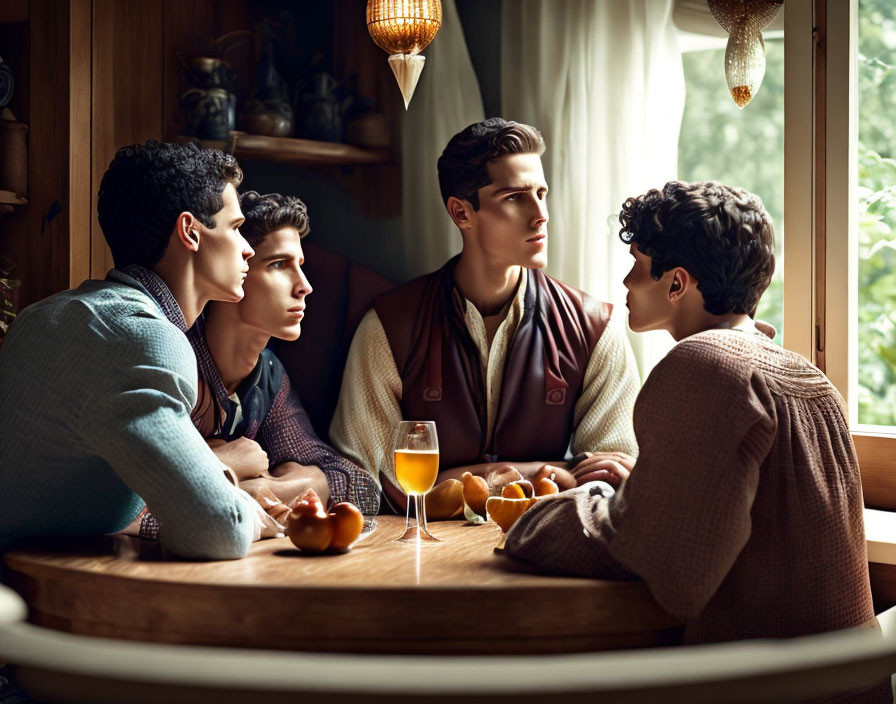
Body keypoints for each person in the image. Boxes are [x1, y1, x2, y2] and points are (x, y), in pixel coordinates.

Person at [503, 181, 888, 701]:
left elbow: (676, 573)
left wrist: (548, 509)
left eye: (638, 264)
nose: (626, 279)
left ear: (677, 283)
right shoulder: (806, 375)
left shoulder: (704, 364)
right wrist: (651, 488)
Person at [330, 118, 640, 511]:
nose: (540, 214)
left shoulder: (595, 328)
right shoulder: (389, 327)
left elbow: (608, 479)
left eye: (542, 194)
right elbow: (369, 482)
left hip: (541, 552)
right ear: (462, 213)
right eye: (515, 197)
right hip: (419, 560)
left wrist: (458, 482)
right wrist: (550, 472)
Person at [0, 140, 275, 560]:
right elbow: (218, 531)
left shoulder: (46, 315)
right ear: (189, 232)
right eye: (235, 228)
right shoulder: (142, 339)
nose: (248, 248)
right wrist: (248, 512)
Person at [187, 191, 379, 518]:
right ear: (232, 268)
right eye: (279, 264)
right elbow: (132, 494)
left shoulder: (267, 375)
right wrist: (224, 463)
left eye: (299, 266)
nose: (304, 286)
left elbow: (360, 487)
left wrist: (267, 488)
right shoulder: (177, 360)